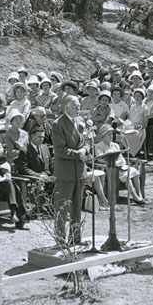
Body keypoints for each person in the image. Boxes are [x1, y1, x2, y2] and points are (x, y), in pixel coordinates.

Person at [50, 94, 89, 246]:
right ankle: (60, 240)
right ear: (66, 107)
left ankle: (75, 238)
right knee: (62, 208)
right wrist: (77, 154)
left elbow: (84, 141)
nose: (79, 108)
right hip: (65, 172)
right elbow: (59, 150)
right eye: (76, 106)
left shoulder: (80, 121)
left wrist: (85, 150)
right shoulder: (58, 124)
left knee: (77, 208)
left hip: (79, 171)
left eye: (79, 105)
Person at [93, 124, 145, 204]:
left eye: (111, 134)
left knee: (135, 172)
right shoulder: (98, 146)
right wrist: (113, 162)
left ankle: (139, 194)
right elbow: (100, 158)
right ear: (103, 135)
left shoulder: (115, 145)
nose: (111, 136)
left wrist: (120, 162)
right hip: (110, 169)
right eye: (109, 134)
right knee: (126, 176)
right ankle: (135, 197)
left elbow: (122, 159)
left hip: (121, 167)